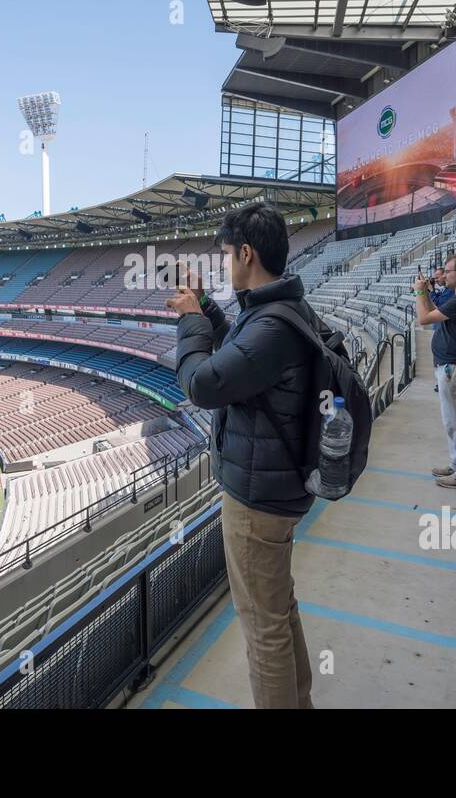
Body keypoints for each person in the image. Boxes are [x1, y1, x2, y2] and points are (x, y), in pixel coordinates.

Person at [167, 201, 318, 708]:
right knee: (280, 609)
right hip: (279, 487)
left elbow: (204, 384)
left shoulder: (270, 325)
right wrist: (208, 309)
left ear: (247, 253)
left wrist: (190, 323)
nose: (227, 263)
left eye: (229, 253)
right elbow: (243, 354)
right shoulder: (281, 310)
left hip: (257, 500)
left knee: (262, 628)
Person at [414, 252, 456, 489]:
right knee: (451, 421)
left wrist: (419, 292)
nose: (444, 274)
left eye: (448, 270)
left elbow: (423, 319)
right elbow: (434, 312)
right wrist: (427, 295)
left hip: (455, 366)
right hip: (451, 364)